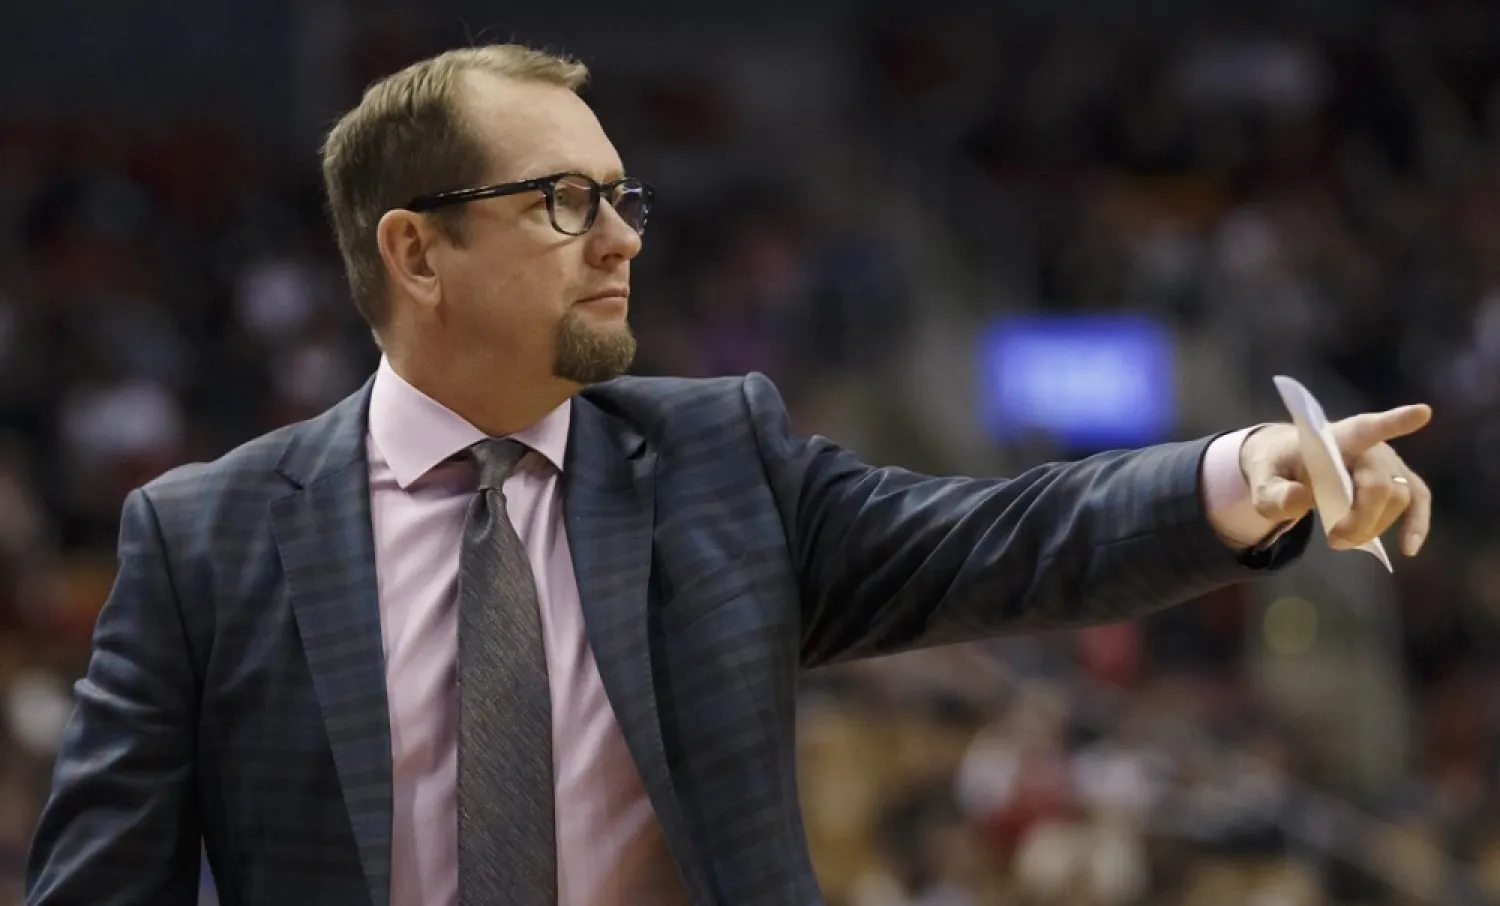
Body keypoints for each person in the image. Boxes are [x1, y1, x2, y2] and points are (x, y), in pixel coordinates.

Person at [24, 44, 1433, 906]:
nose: (621, 237)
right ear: (415, 250)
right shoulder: (201, 539)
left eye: (623, 196)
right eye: (563, 202)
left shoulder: (717, 458)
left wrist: (1246, 467)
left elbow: (999, 535)